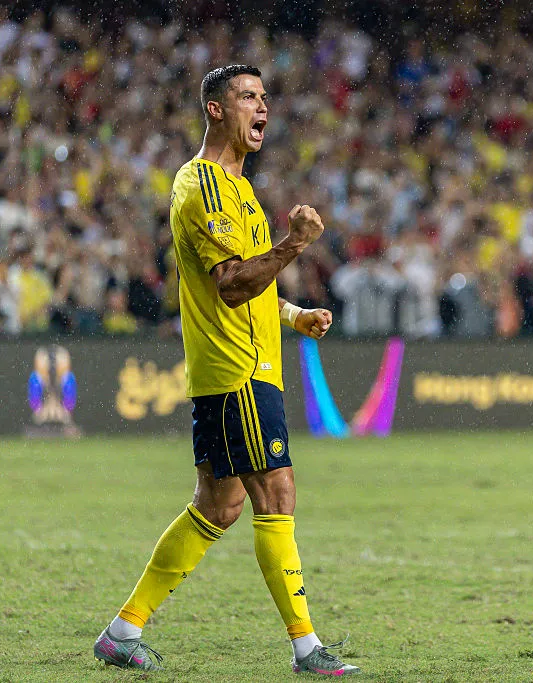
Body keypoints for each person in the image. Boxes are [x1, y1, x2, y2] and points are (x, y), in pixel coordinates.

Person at [93, 65, 360, 676]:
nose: (261, 107)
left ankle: (122, 630)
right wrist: (293, 245)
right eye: (247, 97)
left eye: (265, 98)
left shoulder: (240, 193)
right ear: (215, 110)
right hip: (238, 371)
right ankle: (306, 647)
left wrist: (292, 315)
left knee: (217, 506)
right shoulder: (205, 186)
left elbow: (250, 280)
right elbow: (231, 285)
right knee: (278, 491)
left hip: (251, 365)